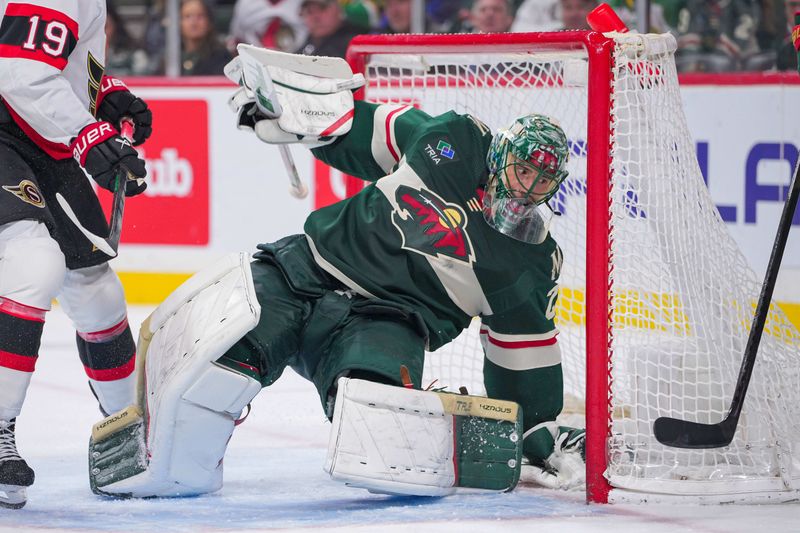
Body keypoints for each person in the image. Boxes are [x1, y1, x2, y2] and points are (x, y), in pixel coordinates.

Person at [88, 48, 586, 500]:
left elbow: (525, 359)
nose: (530, 187)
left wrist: (533, 428)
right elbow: (360, 128)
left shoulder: (530, 264)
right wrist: (295, 117)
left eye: (544, 179)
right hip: (304, 272)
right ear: (501, 158)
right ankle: (160, 461)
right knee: (216, 371)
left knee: (385, 429)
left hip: (387, 322)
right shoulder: (452, 140)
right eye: (524, 170)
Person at [0, 0, 152, 509]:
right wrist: (87, 131)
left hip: (33, 137)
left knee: (96, 290)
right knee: (32, 264)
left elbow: (48, 55)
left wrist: (102, 92)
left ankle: (129, 436)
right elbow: (19, 70)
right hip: (8, 130)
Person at [228, 0, 308, 53]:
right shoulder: (245, 3)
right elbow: (236, 40)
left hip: (299, 58)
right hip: (254, 60)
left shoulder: (306, 3)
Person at [180, 0, 234, 75]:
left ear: (209, 21)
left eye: (200, 16)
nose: (193, 22)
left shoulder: (221, 57)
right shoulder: (170, 58)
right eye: (188, 16)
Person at [297, 0, 364, 58]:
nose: (316, 17)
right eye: (309, 11)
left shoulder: (356, 43)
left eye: (322, 8)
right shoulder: (304, 47)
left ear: (338, 9)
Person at [105, 2, 151, 76]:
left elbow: (142, 76)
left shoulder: (133, 55)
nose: (102, 33)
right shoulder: (85, 51)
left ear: (115, 26)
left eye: (105, 27)